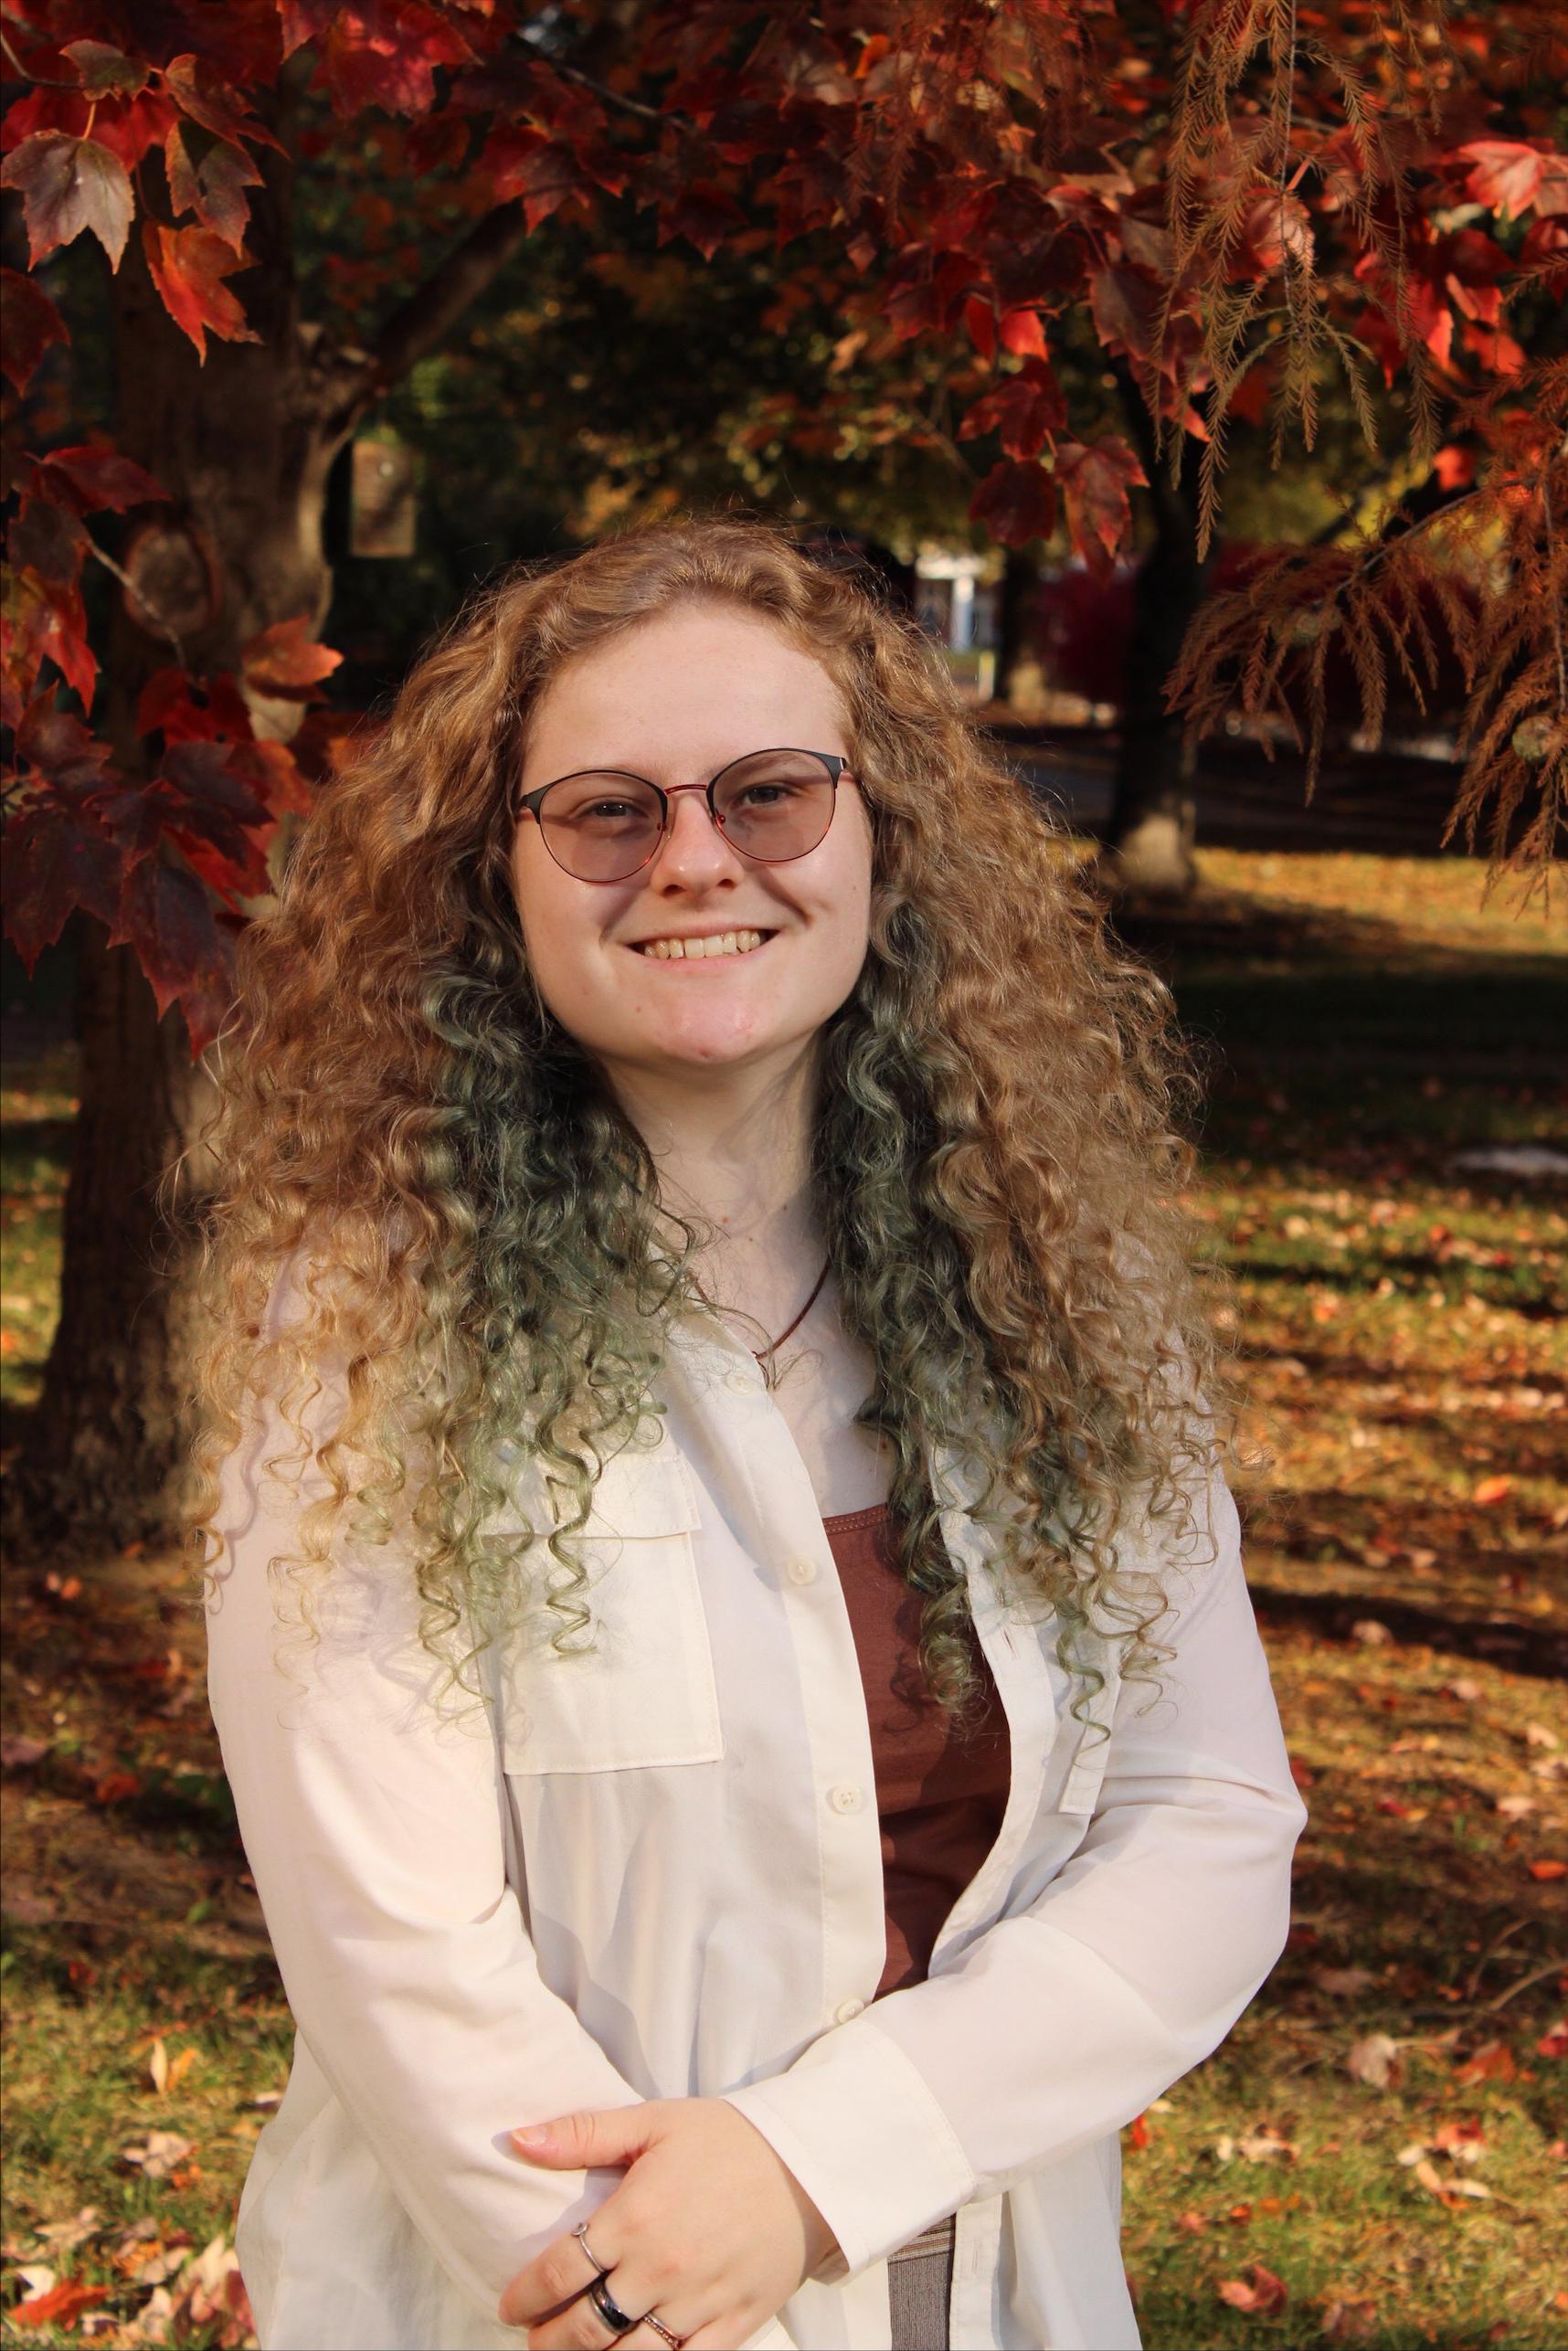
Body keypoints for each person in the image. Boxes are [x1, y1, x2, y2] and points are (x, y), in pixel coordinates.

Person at [189, 516, 1307, 2351]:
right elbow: (397, 1957)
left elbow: (1210, 1819)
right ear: (502, 876)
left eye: (771, 792)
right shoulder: (365, 1335)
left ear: (882, 837)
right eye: (608, 810)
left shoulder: (1059, 1295)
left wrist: (818, 2167)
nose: (695, 859)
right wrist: (675, 2293)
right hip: (540, 2304)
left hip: (994, 2295)